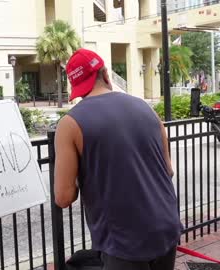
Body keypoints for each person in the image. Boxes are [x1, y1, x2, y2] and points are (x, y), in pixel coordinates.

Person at [54, 48, 183, 270]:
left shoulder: (70, 123)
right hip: (165, 225)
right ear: (105, 74)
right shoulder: (146, 108)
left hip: (124, 239)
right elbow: (168, 170)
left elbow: (63, 197)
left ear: (76, 87)